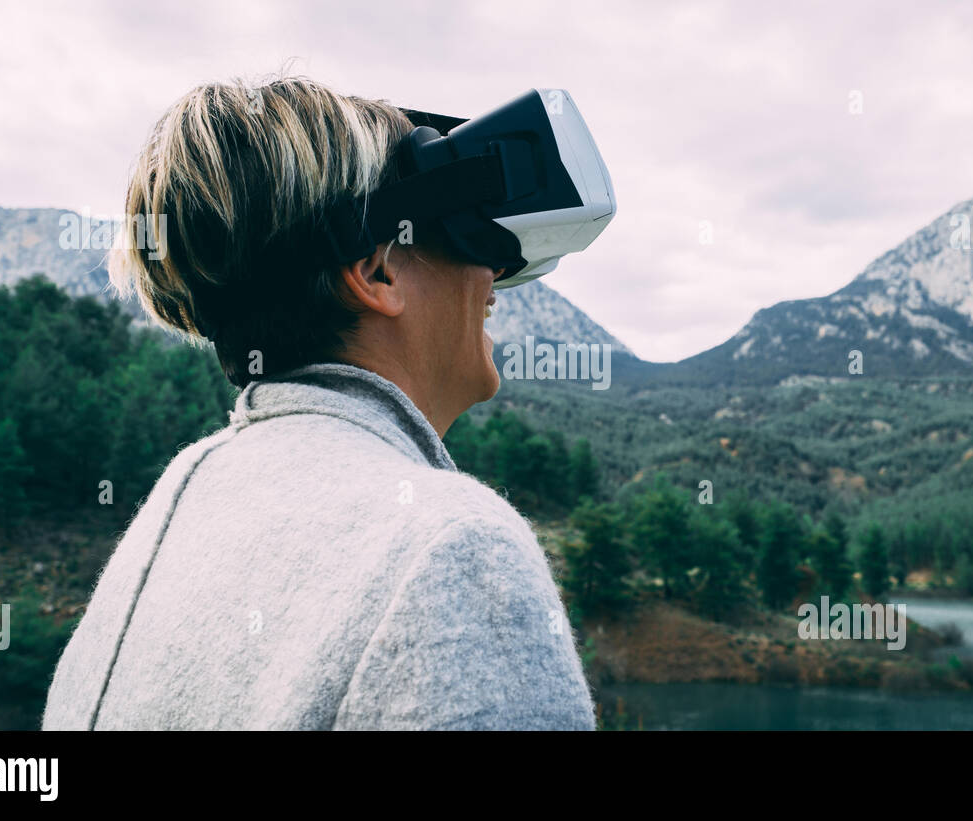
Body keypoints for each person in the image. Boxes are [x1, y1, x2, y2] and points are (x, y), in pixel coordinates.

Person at [41, 76, 597, 730]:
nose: (494, 271)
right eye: (466, 231)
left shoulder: (184, 493)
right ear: (380, 267)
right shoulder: (455, 546)